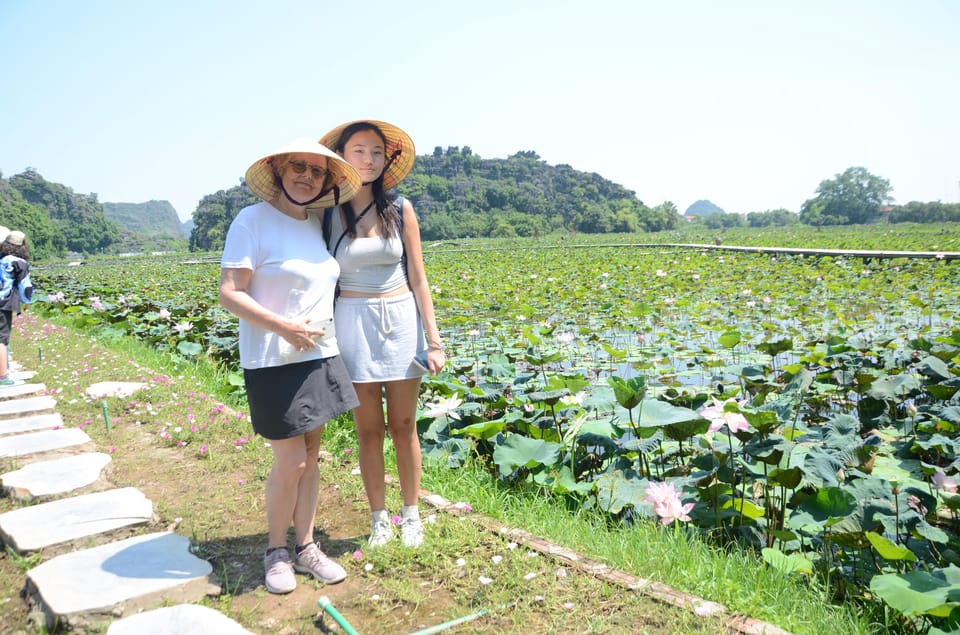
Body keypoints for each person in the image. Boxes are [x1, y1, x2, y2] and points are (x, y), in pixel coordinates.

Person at [219, 137, 362, 594]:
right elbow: (230, 292)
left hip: (318, 353)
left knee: (312, 456)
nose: (307, 175)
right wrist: (282, 326)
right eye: (298, 166)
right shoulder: (251, 221)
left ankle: (305, 547)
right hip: (272, 358)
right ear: (279, 170)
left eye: (317, 171)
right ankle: (275, 551)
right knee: (292, 461)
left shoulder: (317, 223)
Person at [319, 120, 445, 548]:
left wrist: (434, 340)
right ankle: (378, 519)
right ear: (343, 156)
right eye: (359, 151)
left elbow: (419, 278)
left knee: (405, 425)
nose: (368, 160)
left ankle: (411, 514)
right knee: (368, 429)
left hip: (400, 319)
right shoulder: (326, 214)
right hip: (352, 323)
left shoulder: (401, 209)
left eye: (376, 152)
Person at [0, 228, 34, 387]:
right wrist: (26, 301)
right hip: (4, 302)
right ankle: (3, 376)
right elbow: (24, 285)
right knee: (2, 339)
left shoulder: (2, 260)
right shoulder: (19, 263)